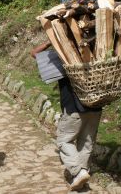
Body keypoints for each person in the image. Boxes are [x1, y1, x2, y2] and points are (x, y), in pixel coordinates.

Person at [31, 40, 102, 191]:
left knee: (64, 141)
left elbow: (34, 53)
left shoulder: (62, 56)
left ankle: (78, 172)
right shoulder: (97, 53)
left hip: (74, 108)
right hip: (96, 107)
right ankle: (82, 175)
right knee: (87, 142)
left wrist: (50, 41)